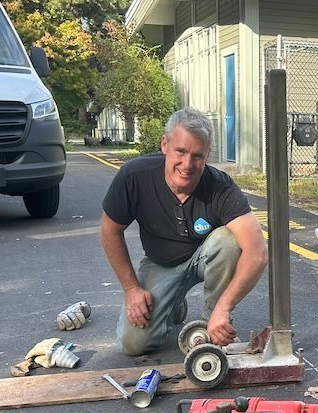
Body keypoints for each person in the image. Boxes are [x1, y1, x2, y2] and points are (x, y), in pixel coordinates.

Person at [101, 107, 268, 356]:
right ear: (165, 145)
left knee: (230, 240)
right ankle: (173, 303)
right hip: (161, 262)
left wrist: (224, 307)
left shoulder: (220, 188)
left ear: (208, 154)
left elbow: (257, 252)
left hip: (206, 256)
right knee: (133, 344)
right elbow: (109, 230)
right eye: (180, 151)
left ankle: (214, 321)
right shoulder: (134, 177)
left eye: (197, 156)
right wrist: (131, 289)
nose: (187, 164)